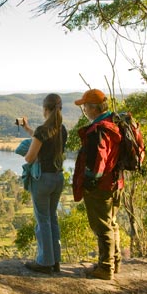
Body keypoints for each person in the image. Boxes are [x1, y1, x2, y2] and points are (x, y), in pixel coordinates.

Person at [72, 89, 123, 280]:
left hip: (101, 186)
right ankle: (114, 262)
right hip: (116, 182)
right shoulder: (113, 123)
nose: (84, 109)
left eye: (85, 106)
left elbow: (98, 159)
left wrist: (89, 180)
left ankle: (105, 268)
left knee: (102, 227)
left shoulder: (98, 130)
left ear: (93, 108)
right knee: (111, 223)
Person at [18, 93, 68, 274]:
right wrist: (28, 129)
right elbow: (42, 138)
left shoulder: (43, 130)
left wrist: (26, 152)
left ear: (45, 109)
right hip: (58, 178)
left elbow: (30, 157)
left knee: (43, 220)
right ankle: (55, 261)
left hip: (43, 180)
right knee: (52, 218)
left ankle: (44, 262)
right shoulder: (61, 129)